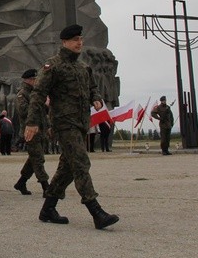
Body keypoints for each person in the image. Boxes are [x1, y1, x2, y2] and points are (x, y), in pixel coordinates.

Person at [26, 24, 119, 230]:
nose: (79, 43)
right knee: (80, 162)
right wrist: (32, 122)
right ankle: (96, 211)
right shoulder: (53, 66)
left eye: (81, 39)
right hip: (64, 123)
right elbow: (38, 94)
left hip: (80, 123)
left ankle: (48, 208)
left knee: (67, 169)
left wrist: (95, 98)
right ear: (64, 42)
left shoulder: (83, 67)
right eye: (75, 39)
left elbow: (92, 88)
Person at [14, 69, 49, 197]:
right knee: (38, 158)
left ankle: (21, 182)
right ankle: (46, 186)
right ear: (28, 80)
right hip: (30, 132)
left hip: (40, 130)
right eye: (34, 79)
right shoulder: (22, 94)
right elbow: (23, 111)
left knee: (33, 159)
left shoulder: (36, 93)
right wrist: (41, 104)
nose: (36, 81)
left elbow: (44, 114)